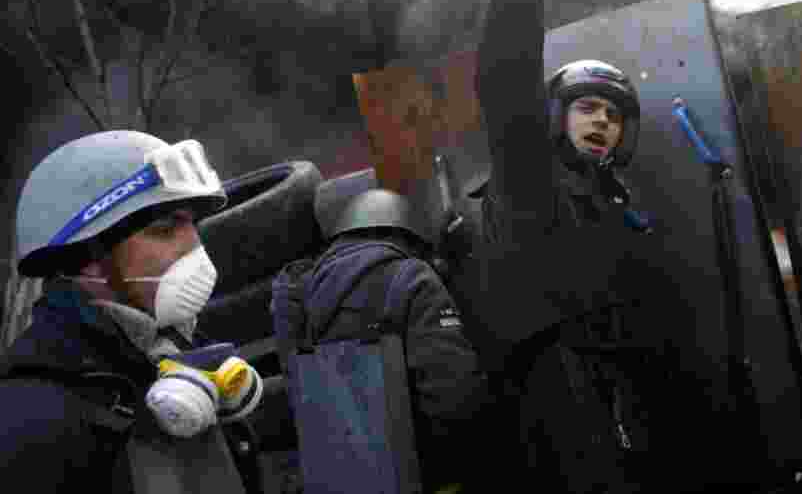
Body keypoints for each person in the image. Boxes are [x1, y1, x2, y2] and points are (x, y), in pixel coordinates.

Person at [465, 0, 677, 493]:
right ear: (555, 117)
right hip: (561, 410)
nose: (602, 122)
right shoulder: (531, 182)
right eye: (588, 108)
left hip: (620, 404)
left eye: (613, 115)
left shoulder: (616, 201)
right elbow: (504, 71)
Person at [0, 131, 265, 493]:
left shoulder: (181, 359)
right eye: (165, 228)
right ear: (87, 258)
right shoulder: (33, 420)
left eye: (193, 225)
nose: (194, 245)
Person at [272, 187, 491, 493]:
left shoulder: (296, 297)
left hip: (339, 479)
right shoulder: (412, 279)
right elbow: (453, 394)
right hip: (420, 477)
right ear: (410, 236)